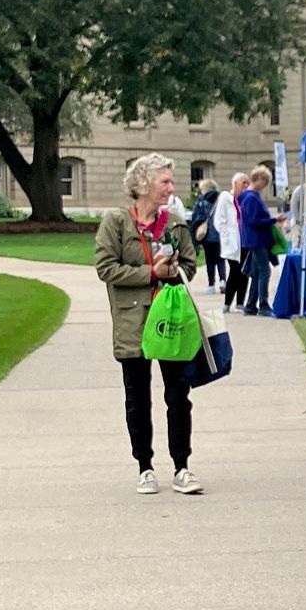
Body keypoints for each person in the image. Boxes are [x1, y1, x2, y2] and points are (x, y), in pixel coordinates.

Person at [94, 153, 203, 495]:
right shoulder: (116, 223)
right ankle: (145, 467)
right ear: (143, 184)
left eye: (171, 181)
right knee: (137, 399)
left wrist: (173, 271)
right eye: (165, 182)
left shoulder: (174, 223)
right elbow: (106, 269)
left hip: (170, 321)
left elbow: (190, 265)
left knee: (178, 396)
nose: (171, 188)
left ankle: (182, 467)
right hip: (133, 324)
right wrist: (149, 273)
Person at [236, 170, 276, 314]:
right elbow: (253, 221)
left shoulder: (249, 197)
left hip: (254, 239)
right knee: (264, 271)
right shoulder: (252, 198)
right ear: (258, 179)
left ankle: (251, 304)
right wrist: (273, 220)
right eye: (265, 182)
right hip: (257, 239)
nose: (265, 186)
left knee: (257, 272)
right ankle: (263, 304)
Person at [214, 172, 246, 313]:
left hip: (244, 241)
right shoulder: (226, 198)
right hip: (232, 242)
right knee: (234, 271)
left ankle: (240, 303)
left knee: (244, 272)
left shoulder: (245, 199)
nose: (245, 186)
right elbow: (219, 220)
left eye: (247, 183)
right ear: (235, 184)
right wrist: (226, 235)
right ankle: (227, 303)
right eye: (242, 183)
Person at [189, 176, 223, 291]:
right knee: (221, 259)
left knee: (210, 261)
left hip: (207, 234)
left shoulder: (201, 201)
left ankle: (211, 285)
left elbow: (196, 216)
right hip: (221, 234)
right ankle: (223, 281)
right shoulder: (222, 199)